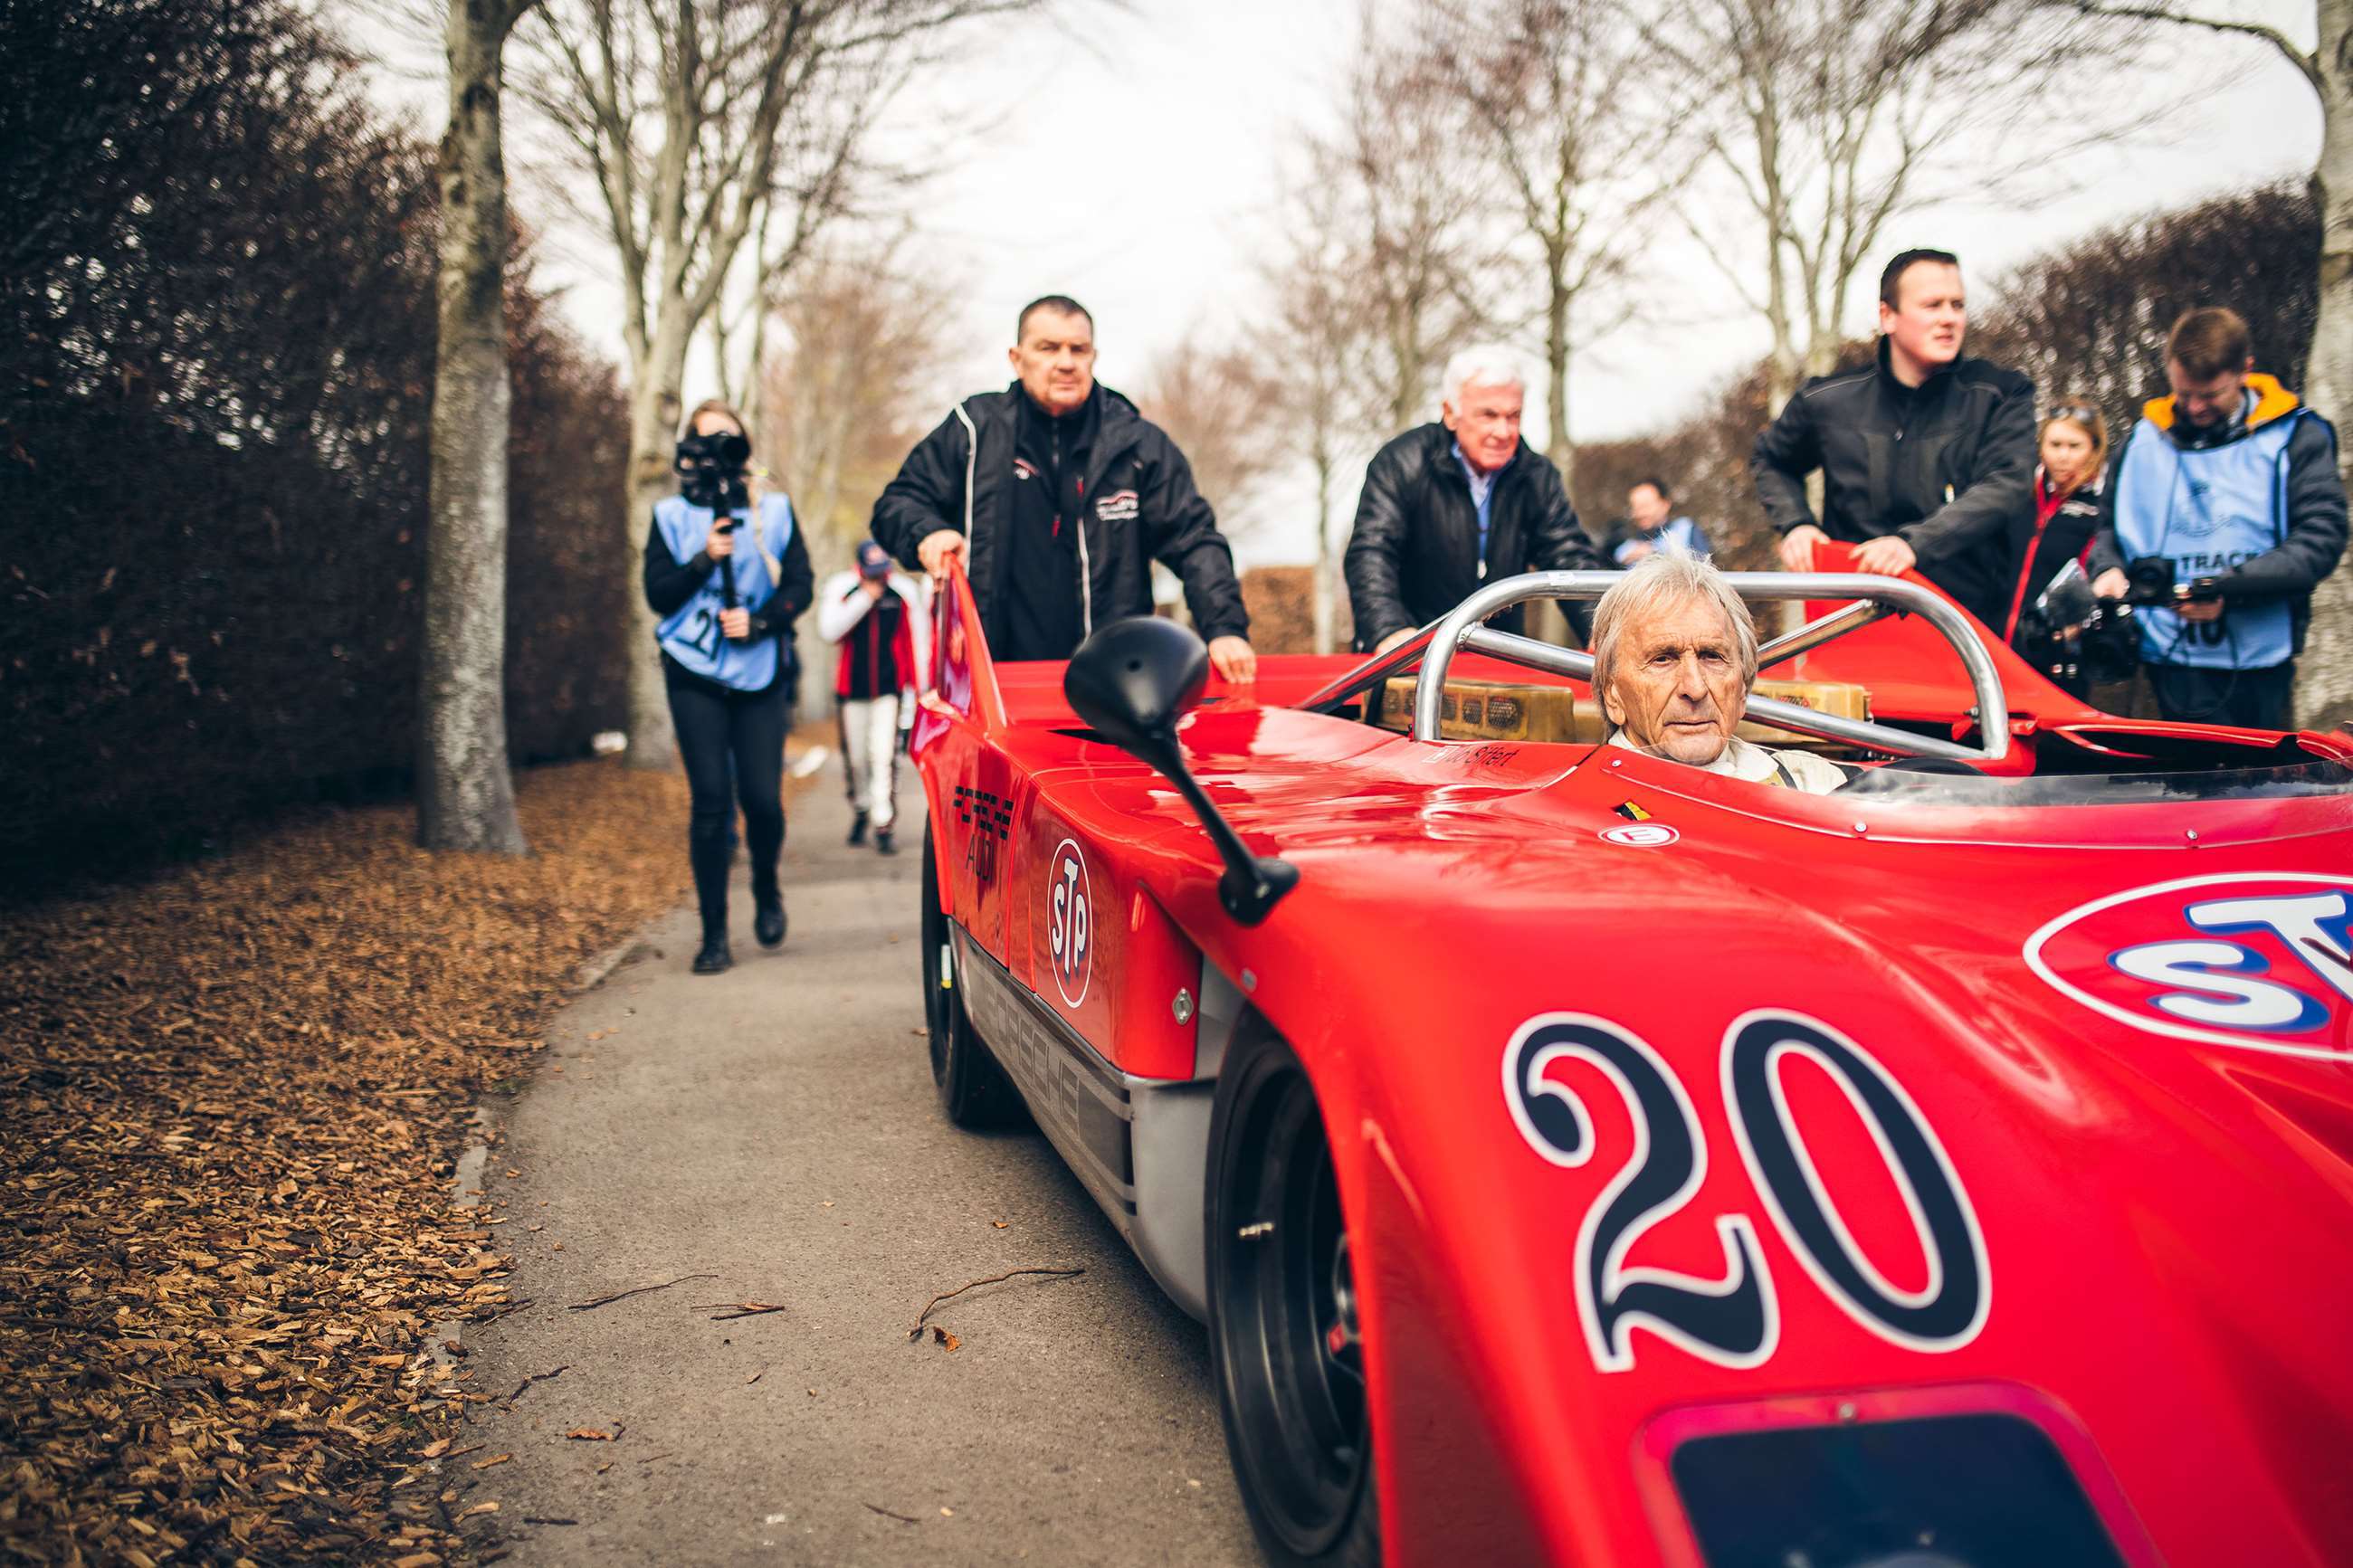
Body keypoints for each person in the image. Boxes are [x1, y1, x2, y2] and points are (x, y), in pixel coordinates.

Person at [870, 295, 1254, 680]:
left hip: (1113, 686)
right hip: (992, 687)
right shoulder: (973, 430)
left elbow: (1195, 539)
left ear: (1093, 357)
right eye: (1049, 348)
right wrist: (928, 533)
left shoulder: (1138, 445)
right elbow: (897, 503)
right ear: (1017, 359)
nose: (1066, 362)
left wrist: (1224, 629)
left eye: (1079, 349)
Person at [2088, 307, 2348, 730]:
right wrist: (2108, 569)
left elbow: (2321, 538)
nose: (2193, 407)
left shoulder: (2296, 436)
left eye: (2209, 396)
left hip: (2258, 664)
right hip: (2159, 661)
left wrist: (2230, 590)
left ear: (2245, 370)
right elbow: (2108, 529)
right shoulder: (2140, 440)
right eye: (2182, 392)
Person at [1751, 248, 2035, 628]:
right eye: (1932, 305)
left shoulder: (2002, 393)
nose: (1949, 319)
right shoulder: (1827, 400)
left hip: (1964, 624)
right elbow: (1771, 460)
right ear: (1888, 316)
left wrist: (1913, 544)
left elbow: (2008, 482)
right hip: (1852, 620)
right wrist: (1797, 524)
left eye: (1957, 305)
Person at [642, 399, 814, 975]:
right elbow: (657, 595)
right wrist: (701, 559)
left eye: (729, 439)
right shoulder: (668, 516)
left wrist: (762, 622)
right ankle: (714, 935)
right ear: (689, 449)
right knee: (711, 800)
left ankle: (766, 885)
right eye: (706, 439)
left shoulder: (776, 513)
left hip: (760, 673)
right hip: (692, 672)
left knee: (763, 801)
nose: (717, 451)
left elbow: (800, 586)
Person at [1346, 344, 1609, 654]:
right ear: (1450, 414)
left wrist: (1600, 631)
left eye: (1513, 416)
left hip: (1500, 655)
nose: (1503, 431)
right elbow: (1372, 550)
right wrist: (1388, 629)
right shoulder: (1401, 461)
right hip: (1413, 651)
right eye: (1488, 415)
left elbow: (1568, 554)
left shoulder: (1536, 475)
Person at [1588, 550, 1847, 793]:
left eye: (1712, 656)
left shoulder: (1812, 783)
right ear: (1613, 696)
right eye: (1663, 659)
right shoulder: (1574, 804)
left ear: (1743, 689)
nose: (1695, 688)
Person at [818, 540, 929, 855]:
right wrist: (864, 600)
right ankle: (862, 807)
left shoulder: (902, 592)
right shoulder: (843, 588)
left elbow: (918, 641)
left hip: (889, 689)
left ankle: (884, 822)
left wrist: (919, 690)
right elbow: (829, 631)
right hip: (851, 690)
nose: (878, 580)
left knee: (883, 754)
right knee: (857, 758)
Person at [1998, 399, 2110, 689]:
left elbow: (2098, 572)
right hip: (1998, 643)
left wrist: (2073, 623)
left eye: (2074, 446)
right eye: (2055, 444)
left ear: (2094, 449)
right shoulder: (2018, 492)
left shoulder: (2101, 504)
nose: (2063, 456)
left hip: (2059, 652)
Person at [1605, 477, 1711, 564]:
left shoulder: (1686, 529)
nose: (1640, 513)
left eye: (1645, 506)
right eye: (1635, 507)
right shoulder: (1622, 541)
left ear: (1665, 504)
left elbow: (1702, 566)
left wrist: (1656, 555)